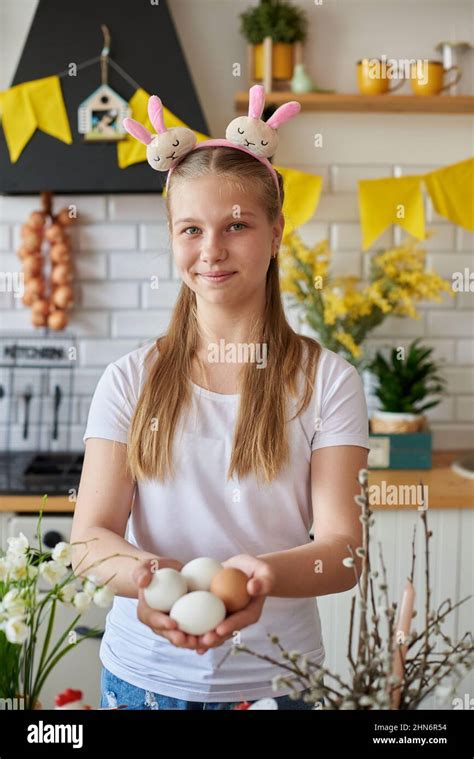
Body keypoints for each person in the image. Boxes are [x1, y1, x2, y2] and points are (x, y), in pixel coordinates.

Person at [71, 90, 370, 711]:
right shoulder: (129, 379)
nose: (211, 249)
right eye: (191, 229)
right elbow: (90, 539)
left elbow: (344, 552)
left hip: (277, 681)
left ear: (277, 232)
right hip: (142, 678)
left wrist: (261, 575)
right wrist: (150, 583)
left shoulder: (328, 382)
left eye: (236, 225)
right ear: (173, 236)